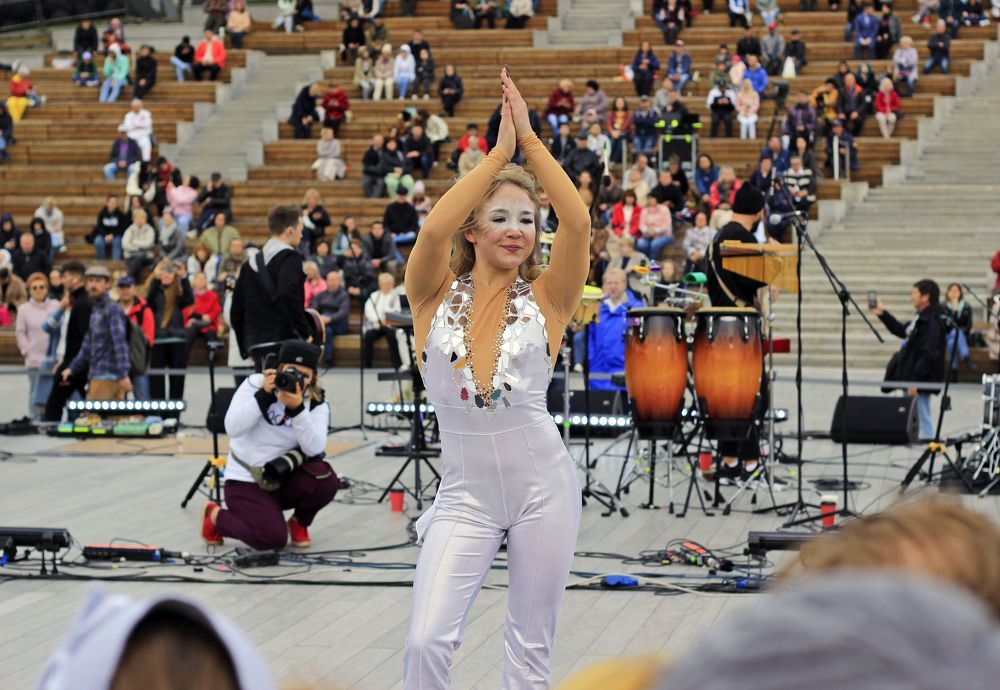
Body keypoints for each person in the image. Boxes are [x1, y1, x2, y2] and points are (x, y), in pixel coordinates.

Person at [401, 68, 588, 689]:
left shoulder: (550, 298)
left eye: (528, 220)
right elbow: (432, 230)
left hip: (544, 491)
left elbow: (578, 224)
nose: (516, 230)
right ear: (472, 228)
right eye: (501, 217)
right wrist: (496, 158)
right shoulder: (430, 295)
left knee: (528, 655)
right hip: (464, 498)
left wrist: (530, 144)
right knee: (426, 640)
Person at [201, 339, 339, 550]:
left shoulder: (316, 402)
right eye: (291, 371)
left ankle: (299, 522)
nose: (296, 379)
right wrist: (263, 397)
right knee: (271, 539)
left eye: (304, 375)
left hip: (282, 476)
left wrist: (297, 410)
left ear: (312, 378)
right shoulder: (255, 384)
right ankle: (215, 516)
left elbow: (315, 449)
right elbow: (232, 428)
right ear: (279, 368)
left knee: (325, 479)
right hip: (246, 480)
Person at [706, 184, 773, 483]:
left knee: (726, 397)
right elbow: (753, 281)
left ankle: (730, 461)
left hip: (720, 328)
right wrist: (770, 260)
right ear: (758, 212)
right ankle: (750, 463)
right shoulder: (741, 238)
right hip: (741, 329)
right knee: (750, 396)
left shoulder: (719, 236)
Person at [231, 206, 314, 371]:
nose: (301, 234)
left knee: (263, 386)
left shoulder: (248, 264)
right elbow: (287, 294)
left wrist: (245, 346)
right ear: (290, 231)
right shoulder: (290, 258)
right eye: (300, 229)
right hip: (283, 341)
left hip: (257, 343)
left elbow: (236, 311)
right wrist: (305, 333)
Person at [870, 279, 947, 440]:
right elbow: (902, 330)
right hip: (912, 376)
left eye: (914, 293)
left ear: (925, 297)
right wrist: (882, 313)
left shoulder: (932, 321)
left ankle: (929, 445)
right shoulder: (921, 317)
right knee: (914, 416)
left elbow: (928, 354)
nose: (911, 297)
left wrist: (915, 381)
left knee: (923, 418)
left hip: (919, 379)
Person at [60, 265, 131, 401]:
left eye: (98, 281)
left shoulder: (112, 309)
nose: (93, 285)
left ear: (107, 284)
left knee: (94, 414)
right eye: (91, 280)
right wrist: (72, 368)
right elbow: (87, 345)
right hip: (97, 374)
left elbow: (120, 343)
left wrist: (123, 374)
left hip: (108, 376)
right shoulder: (96, 309)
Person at [43, 262, 91, 421]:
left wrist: (71, 365)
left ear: (75, 278)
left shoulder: (82, 303)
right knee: (59, 402)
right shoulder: (76, 301)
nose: (62, 281)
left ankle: (52, 426)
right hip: (73, 361)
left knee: (55, 404)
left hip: (77, 363)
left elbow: (85, 339)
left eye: (65, 277)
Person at [144, 260, 194, 400]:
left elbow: (190, 300)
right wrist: (155, 278)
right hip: (158, 340)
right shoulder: (154, 292)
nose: (167, 275)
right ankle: (158, 411)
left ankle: (174, 411)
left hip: (177, 340)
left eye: (170, 272)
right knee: (156, 381)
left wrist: (184, 277)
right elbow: (148, 302)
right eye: (164, 272)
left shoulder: (178, 295)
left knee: (177, 379)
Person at [16, 272, 58, 416]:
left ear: (47, 288)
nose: (38, 290)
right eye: (34, 288)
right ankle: (35, 420)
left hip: (53, 359)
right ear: (29, 290)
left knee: (53, 391)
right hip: (34, 359)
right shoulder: (23, 309)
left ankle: (52, 419)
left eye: (42, 287)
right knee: (35, 393)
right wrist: (27, 350)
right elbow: (20, 332)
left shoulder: (55, 306)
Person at [117, 275, 154, 399]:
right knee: (117, 404)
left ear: (134, 289)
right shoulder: (112, 309)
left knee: (143, 401)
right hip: (117, 364)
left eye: (128, 287)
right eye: (122, 287)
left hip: (138, 363)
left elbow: (148, 339)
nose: (125, 290)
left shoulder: (144, 310)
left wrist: (145, 362)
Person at [362, 271, 404, 368]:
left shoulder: (396, 296)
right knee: (368, 336)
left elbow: (398, 310)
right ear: (380, 284)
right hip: (377, 325)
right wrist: (377, 319)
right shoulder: (374, 295)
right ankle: (367, 364)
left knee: (392, 337)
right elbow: (368, 309)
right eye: (384, 284)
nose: (386, 286)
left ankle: (397, 364)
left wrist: (387, 319)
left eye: (388, 283)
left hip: (390, 326)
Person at [310, 270, 350, 366]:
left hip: (338, 323)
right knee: (322, 329)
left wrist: (330, 318)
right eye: (330, 280)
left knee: (326, 330)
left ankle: (327, 359)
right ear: (326, 281)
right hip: (323, 321)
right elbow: (314, 308)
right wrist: (319, 318)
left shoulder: (344, 295)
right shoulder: (321, 295)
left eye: (335, 280)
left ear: (339, 281)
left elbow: (343, 312)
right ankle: (313, 358)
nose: (332, 283)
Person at [944, 282, 975, 373]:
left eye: (956, 290)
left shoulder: (967, 307)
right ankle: (966, 358)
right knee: (954, 333)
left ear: (960, 293)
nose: (954, 293)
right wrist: (954, 311)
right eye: (951, 290)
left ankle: (953, 372)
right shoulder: (943, 307)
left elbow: (968, 326)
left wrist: (959, 332)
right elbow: (946, 326)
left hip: (963, 337)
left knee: (952, 342)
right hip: (947, 335)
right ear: (948, 293)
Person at [122, 208, 156, 283]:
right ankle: (135, 283)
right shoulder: (130, 230)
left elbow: (148, 243)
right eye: (137, 218)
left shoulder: (150, 230)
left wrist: (134, 242)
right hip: (131, 256)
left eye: (141, 218)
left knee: (138, 258)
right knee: (137, 260)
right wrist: (138, 248)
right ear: (134, 219)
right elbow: (125, 244)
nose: (139, 220)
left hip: (146, 256)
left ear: (145, 219)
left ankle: (128, 278)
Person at [89, 194, 128, 260]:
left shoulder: (120, 215)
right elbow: (99, 227)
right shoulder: (102, 213)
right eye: (111, 202)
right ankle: (101, 261)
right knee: (98, 241)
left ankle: (116, 262)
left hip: (116, 235)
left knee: (117, 242)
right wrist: (105, 235)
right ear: (107, 203)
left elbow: (122, 228)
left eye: (115, 202)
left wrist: (112, 235)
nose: (113, 204)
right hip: (103, 235)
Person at [123, 98, 153, 165]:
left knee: (146, 145)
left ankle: (146, 162)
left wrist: (136, 125)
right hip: (132, 135)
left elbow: (147, 124)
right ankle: (123, 159)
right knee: (124, 144)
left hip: (143, 135)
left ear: (141, 106)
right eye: (134, 106)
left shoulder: (146, 113)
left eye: (137, 106)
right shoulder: (128, 115)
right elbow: (127, 126)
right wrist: (139, 125)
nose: (136, 108)